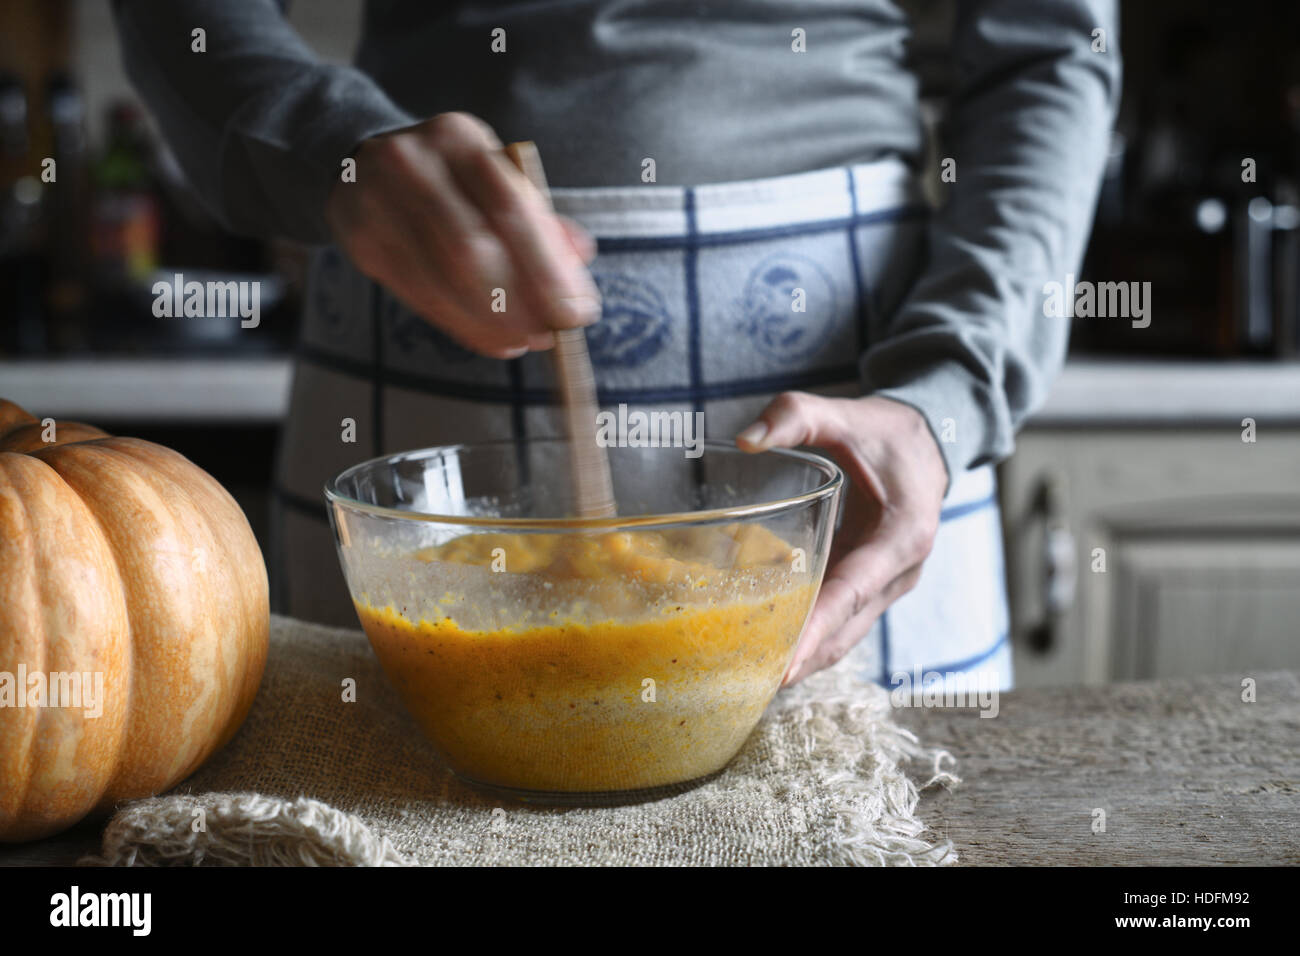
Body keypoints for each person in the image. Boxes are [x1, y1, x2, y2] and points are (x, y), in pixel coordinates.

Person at [113, 0, 1120, 689]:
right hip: (414, 341)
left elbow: (1051, 47)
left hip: (864, 408)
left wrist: (948, 385)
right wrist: (320, 144)